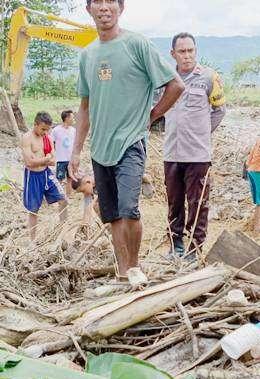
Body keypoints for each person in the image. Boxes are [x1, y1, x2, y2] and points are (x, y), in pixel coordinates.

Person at [70, 0, 184, 286]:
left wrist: (152, 116)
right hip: (100, 148)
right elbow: (84, 108)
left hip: (131, 142)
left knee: (129, 209)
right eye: (98, 2)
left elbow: (176, 85)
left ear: (121, 8)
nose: (104, 7)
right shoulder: (88, 55)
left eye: (111, 1)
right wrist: (75, 150)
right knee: (111, 215)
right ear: (89, 9)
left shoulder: (137, 44)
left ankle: (134, 270)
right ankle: (123, 275)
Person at [162, 32, 227, 258]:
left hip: (198, 154)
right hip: (171, 152)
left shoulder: (209, 77)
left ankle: (195, 248)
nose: (187, 56)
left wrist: (201, 134)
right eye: (182, 51)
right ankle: (175, 244)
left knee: (198, 203)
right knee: (174, 202)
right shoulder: (166, 78)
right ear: (173, 54)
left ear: (195, 51)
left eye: (190, 50)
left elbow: (219, 111)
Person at [21, 112, 69, 241]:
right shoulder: (27, 138)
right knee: (33, 210)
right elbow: (29, 162)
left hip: (47, 173)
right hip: (32, 176)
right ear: (35, 125)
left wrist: (43, 159)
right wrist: (46, 158)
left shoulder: (47, 138)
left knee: (63, 199)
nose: (45, 132)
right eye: (43, 129)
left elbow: (53, 161)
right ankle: (33, 241)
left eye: (47, 130)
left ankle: (63, 233)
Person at [50, 110, 77, 198]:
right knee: (59, 179)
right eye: (72, 117)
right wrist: (53, 154)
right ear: (67, 118)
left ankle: (68, 196)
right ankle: (58, 196)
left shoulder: (73, 130)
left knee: (70, 178)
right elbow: (51, 142)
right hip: (61, 159)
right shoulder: (56, 130)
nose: (73, 119)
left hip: (71, 159)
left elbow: (76, 143)